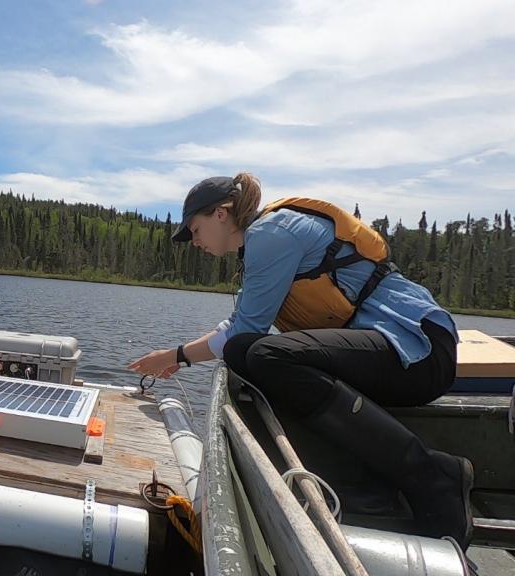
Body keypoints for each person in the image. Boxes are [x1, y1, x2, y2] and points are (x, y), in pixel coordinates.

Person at [128, 173, 473, 547]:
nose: (194, 242)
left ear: (221, 214)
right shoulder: (264, 240)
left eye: (194, 229)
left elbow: (246, 328)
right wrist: (177, 357)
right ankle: (367, 478)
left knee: (263, 353)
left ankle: (433, 474)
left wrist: (177, 355)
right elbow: (238, 332)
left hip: (417, 346)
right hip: (392, 351)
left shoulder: (272, 233)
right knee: (249, 353)